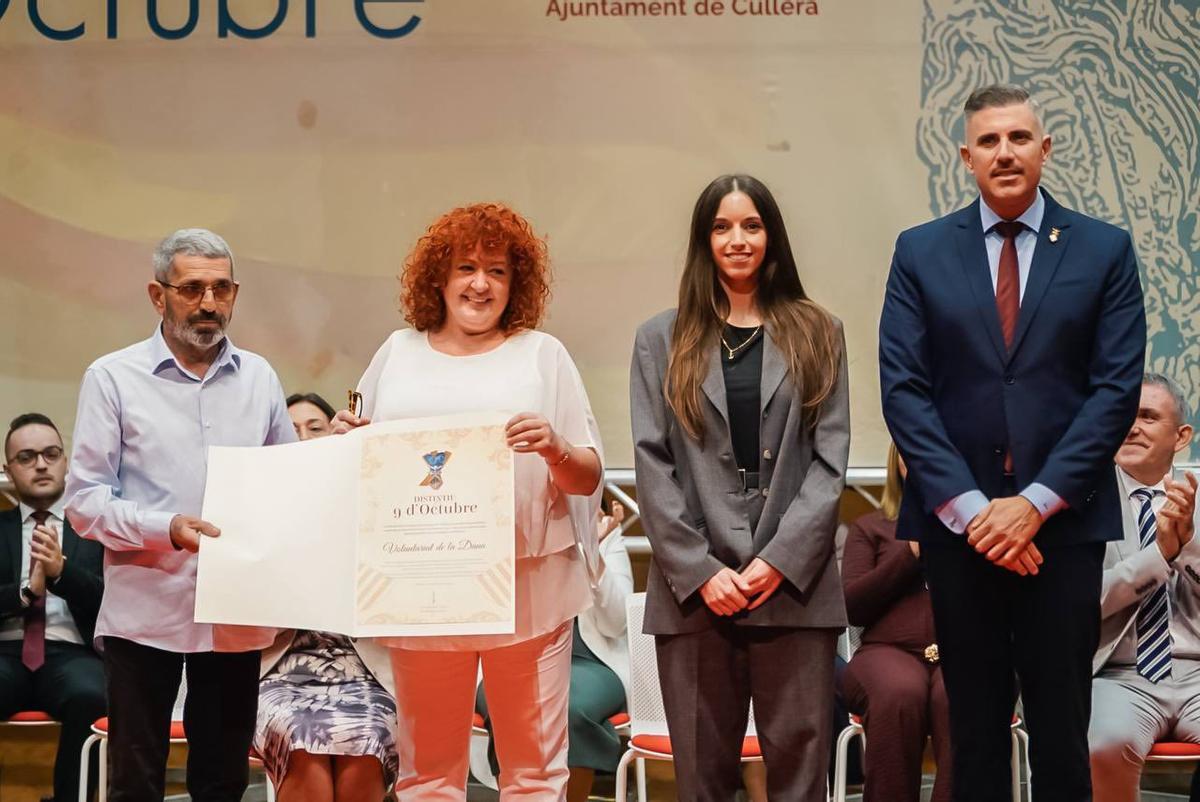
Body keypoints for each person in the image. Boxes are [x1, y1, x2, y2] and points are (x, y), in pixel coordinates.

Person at [878, 84, 1147, 802]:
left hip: (1062, 530)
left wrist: (1031, 504)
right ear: (966, 157)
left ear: (1045, 148)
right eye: (989, 142)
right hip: (958, 532)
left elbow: (1114, 391)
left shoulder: (1104, 250)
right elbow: (904, 392)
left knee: (1062, 730)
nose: (1005, 153)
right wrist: (976, 512)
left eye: (1019, 138)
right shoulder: (920, 251)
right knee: (973, 728)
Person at [334, 202, 603, 800]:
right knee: (427, 775)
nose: (480, 283)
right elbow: (360, 463)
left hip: (528, 587)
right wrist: (345, 442)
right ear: (440, 277)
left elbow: (587, 476)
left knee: (533, 774)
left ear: (517, 284)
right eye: (465, 267)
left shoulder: (543, 354)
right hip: (424, 584)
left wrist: (556, 447)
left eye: (498, 271)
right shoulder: (397, 353)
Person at [631, 173, 850, 800]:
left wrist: (777, 562)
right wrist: (700, 569)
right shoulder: (660, 339)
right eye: (722, 227)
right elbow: (651, 463)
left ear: (771, 237)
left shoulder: (819, 331)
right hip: (695, 594)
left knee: (801, 776)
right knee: (702, 778)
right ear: (705, 240)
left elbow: (830, 461)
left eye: (751, 225)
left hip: (795, 590)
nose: (737, 239)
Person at [64, 228, 295, 802]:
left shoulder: (261, 378)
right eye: (192, 288)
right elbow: (84, 501)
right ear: (157, 294)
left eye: (221, 288)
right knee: (136, 778)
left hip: (234, 612)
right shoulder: (112, 377)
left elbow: (290, 483)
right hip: (146, 608)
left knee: (221, 776)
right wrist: (164, 527)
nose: (209, 303)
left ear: (236, 294)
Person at [255, 391, 399, 801]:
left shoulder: (373, 504)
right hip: (282, 670)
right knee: (302, 743)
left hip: (366, 669)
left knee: (366, 741)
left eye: (314, 428)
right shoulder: (260, 512)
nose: (302, 437)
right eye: (291, 430)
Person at [476, 499, 634, 801]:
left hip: (591, 663)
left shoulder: (608, 541)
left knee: (569, 708)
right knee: (511, 704)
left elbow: (616, 623)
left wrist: (591, 554)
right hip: (511, 657)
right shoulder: (505, 535)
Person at [1089, 374, 1199, 802]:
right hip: (1118, 675)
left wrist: (1188, 547)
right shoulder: (1082, 503)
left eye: (1148, 416)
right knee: (1104, 745)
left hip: (1198, 672)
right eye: (1123, 416)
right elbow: (1080, 604)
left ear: (1181, 435)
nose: (1131, 427)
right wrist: (1160, 556)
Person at [0, 413, 105, 802]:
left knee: (92, 695)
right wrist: (27, 591)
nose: (41, 464)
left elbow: (108, 601)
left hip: (72, 653)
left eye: (50, 454)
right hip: (5, 653)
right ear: (7, 470)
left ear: (66, 462)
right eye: (26, 457)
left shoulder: (94, 528)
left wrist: (62, 573)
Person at [841, 444, 951, 802]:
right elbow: (851, 607)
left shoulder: (979, 524)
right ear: (896, 461)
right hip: (885, 653)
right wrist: (910, 552)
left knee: (962, 696)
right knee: (897, 694)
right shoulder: (870, 527)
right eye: (911, 448)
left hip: (965, 650)